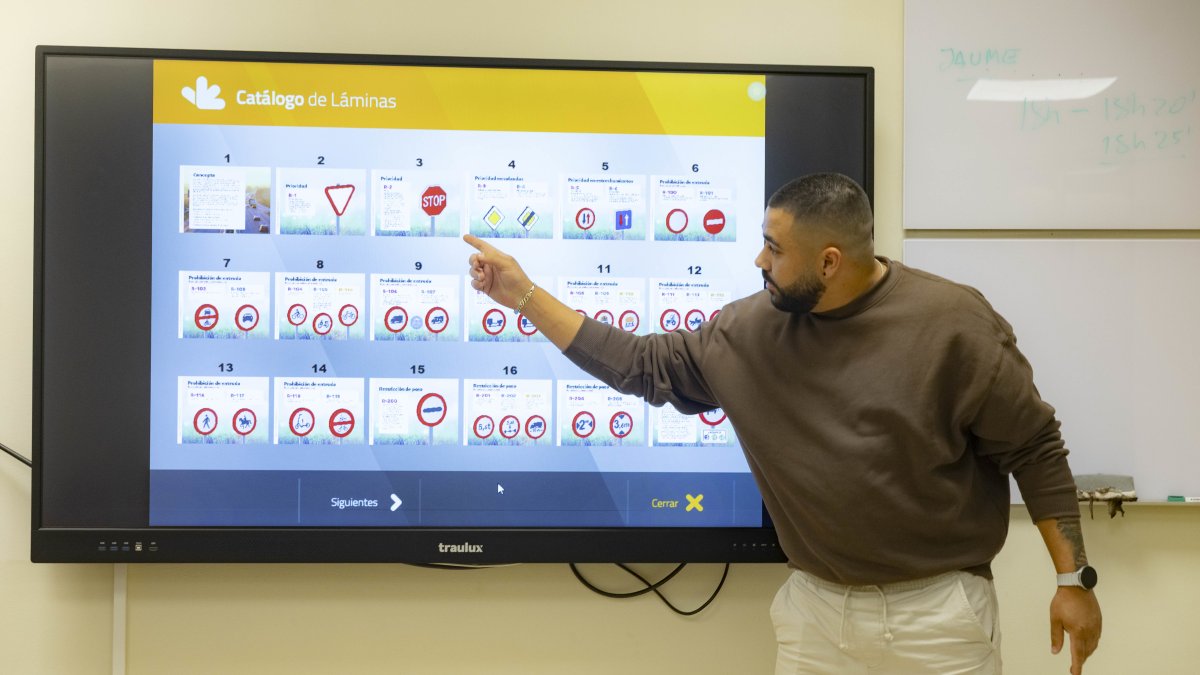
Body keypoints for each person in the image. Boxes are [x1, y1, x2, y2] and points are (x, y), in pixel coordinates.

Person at [465, 173, 1102, 674]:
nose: (758, 261)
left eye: (774, 249)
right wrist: (523, 294)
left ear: (829, 262)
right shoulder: (745, 332)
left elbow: (1035, 447)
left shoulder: (954, 324)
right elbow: (639, 363)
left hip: (939, 617)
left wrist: (1072, 580)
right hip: (816, 617)